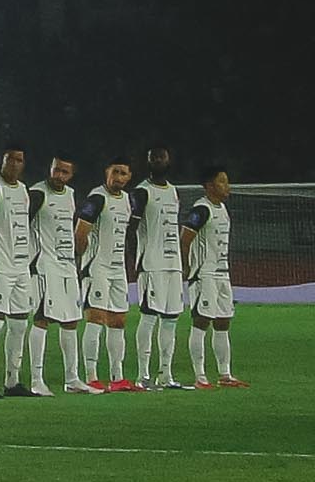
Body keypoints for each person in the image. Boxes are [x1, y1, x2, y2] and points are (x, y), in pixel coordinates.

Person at [0, 147, 43, 395]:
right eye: (10, 159)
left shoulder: (24, 190)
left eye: (19, 160)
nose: (15, 164)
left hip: (21, 268)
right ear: (2, 161)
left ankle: (12, 381)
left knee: (19, 325)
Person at [81, 158, 137, 394]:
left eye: (124, 173)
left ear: (129, 176)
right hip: (97, 267)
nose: (119, 177)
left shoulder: (127, 200)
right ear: (107, 173)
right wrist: (80, 263)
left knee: (119, 321)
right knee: (96, 318)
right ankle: (91, 377)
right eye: (115, 172)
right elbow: (80, 231)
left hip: (117, 268)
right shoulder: (97, 198)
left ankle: (118, 377)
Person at [38, 154, 93, 393]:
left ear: (71, 175)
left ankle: (72, 379)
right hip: (45, 265)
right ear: (50, 169)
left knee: (71, 320)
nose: (59, 176)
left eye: (65, 172)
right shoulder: (36, 194)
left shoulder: (70, 195)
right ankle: (36, 380)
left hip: (68, 265)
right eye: (56, 170)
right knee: (42, 320)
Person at [138, 146, 189, 387]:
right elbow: (130, 229)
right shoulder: (142, 192)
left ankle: (165, 375)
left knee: (171, 319)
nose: (158, 161)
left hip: (173, 264)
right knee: (149, 318)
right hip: (152, 264)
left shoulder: (173, 191)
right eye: (154, 158)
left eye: (162, 157)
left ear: (169, 161)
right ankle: (143, 376)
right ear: (148, 162)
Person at [185, 169, 242, 387]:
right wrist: (188, 267)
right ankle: (200, 376)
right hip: (204, 275)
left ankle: (225, 374)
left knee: (223, 322)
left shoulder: (222, 208)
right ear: (209, 185)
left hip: (222, 274)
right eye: (222, 182)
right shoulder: (202, 209)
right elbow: (185, 238)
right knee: (201, 322)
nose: (227, 187)